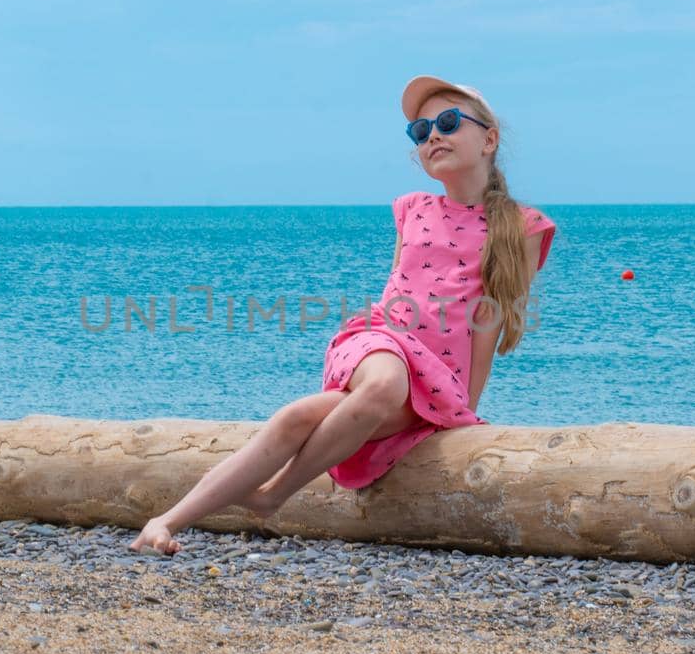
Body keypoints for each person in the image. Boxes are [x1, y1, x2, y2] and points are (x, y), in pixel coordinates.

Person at [128, 74, 556, 554]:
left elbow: (487, 320)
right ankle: (239, 502)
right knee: (382, 383)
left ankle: (173, 521)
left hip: (436, 381)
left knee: (298, 419)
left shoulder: (523, 227)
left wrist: (463, 408)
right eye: (420, 130)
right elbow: (397, 290)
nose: (432, 134)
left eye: (449, 122)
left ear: (489, 139)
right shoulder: (412, 208)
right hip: (381, 340)